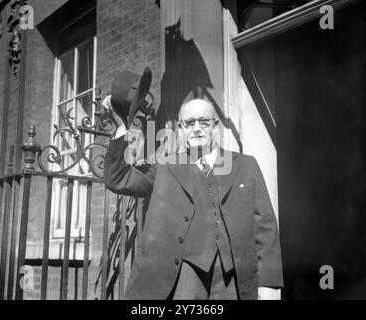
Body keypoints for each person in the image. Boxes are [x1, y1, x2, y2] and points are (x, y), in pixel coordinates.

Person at [104, 98, 283, 300]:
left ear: (216, 126)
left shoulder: (246, 165)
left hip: (233, 279)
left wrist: (269, 283)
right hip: (182, 278)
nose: (196, 129)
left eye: (204, 121)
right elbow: (118, 179)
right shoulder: (164, 167)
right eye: (189, 123)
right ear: (180, 130)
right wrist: (120, 128)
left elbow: (265, 226)